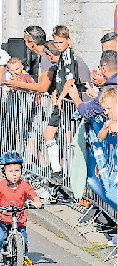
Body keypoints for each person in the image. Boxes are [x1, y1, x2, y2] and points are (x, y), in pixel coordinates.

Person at [43, 25, 90, 185]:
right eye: (56, 42)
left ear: (68, 41)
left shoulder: (69, 55)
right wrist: (56, 92)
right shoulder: (61, 56)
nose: (58, 46)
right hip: (60, 101)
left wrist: (62, 96)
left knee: (68, 138)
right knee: (48, 134)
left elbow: (70, 80)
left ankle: (69, 176)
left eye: (61, 42)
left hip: (68, 103)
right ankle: (56, 171)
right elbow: (61, 79)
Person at [0, 151, 42, 266]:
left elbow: (33, 196)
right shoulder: (0, 186)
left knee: (24, 240)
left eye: (17, 171)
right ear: (4, 172)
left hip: (19, 219)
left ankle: (24, 257)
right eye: (11, 171)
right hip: (3, 218)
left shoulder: (25, 185)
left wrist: (37, 202)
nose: (14, 174)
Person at [5, 26, 56, 94]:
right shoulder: (43, 56)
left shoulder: (46, 58)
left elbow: (43, 87)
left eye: (25, 41)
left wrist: (20, 84)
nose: (25, 44)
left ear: (32, 43)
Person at [69, 50, 117, 119]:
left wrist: (75, 97)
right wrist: (95, 95)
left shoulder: (109, 87)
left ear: (104, 68)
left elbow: (87, 111)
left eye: (99, 67)